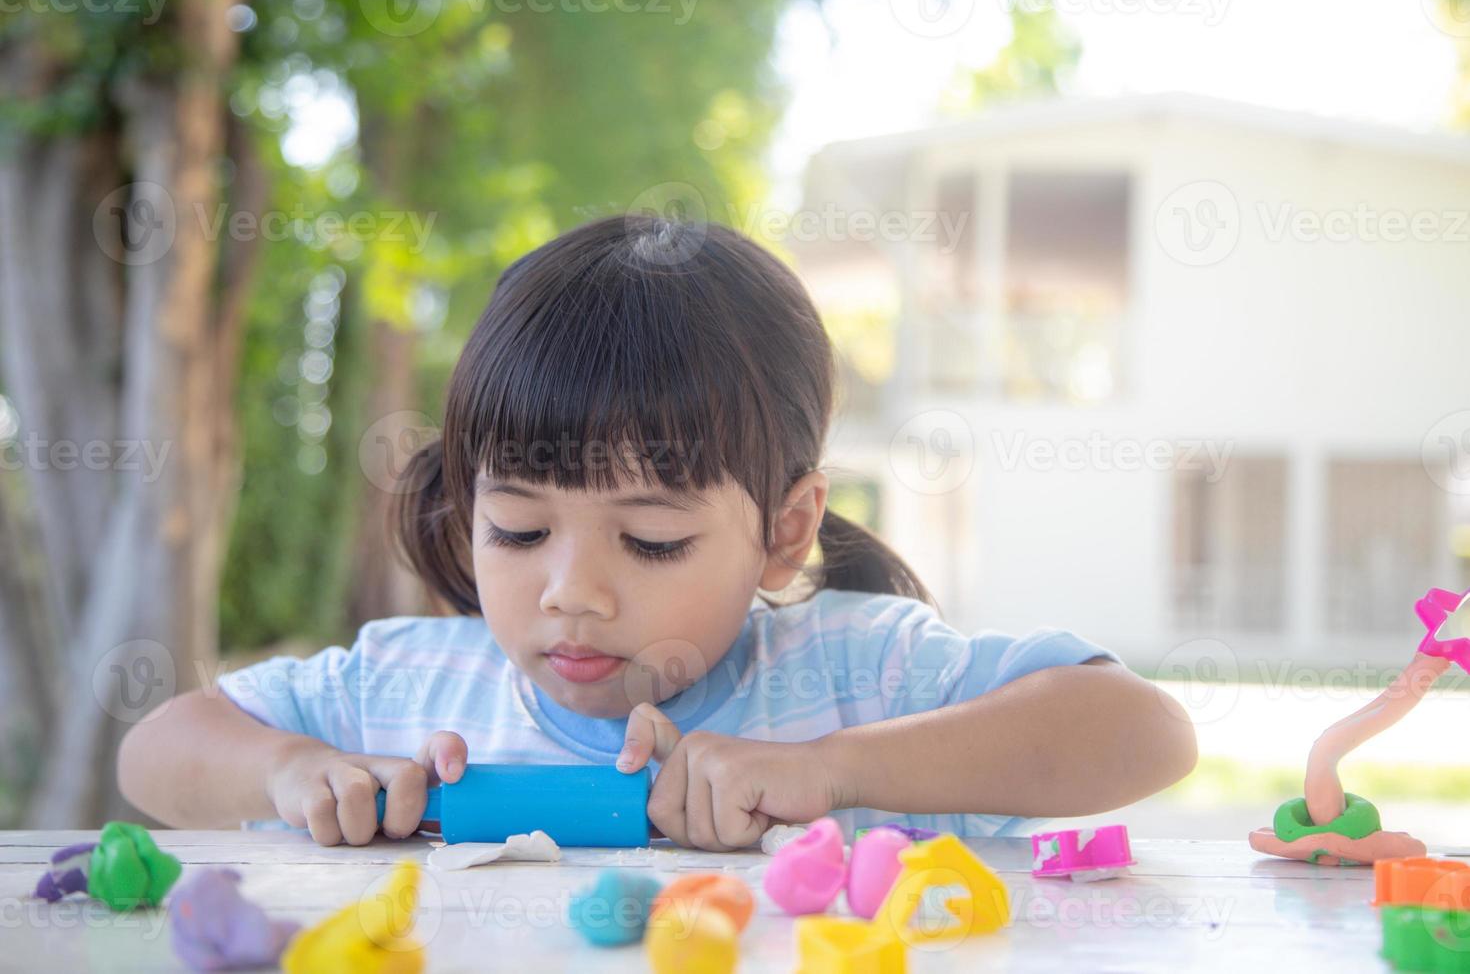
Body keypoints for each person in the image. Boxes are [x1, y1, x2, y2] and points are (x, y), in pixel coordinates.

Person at [119, 215, 1197, 850]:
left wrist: (840, 769)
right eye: (518, 528)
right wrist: (290, 770)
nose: (571, 592)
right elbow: (154, 753)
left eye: (652, 542)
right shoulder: (405, 689)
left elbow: (1143, 732)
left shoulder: (865, 676)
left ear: (785, 529)